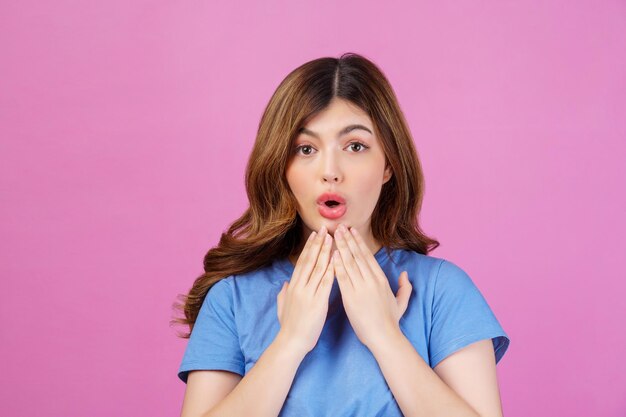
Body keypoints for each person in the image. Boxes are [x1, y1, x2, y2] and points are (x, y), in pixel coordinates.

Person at [171, 52, 510, 417]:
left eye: (355, 146)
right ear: (281, 167)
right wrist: (290, 342)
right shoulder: (232, 299)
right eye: (305, 149)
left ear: (388, 165)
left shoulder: (444, 291)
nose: (330, 171)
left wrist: (385, 337)